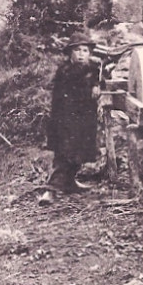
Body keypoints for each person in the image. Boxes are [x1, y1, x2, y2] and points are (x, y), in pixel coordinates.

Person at [46, 35, 100, 194]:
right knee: (64, 152)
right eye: (77, 50)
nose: (82, 54)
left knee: (80, 151)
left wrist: (97, 85)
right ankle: (51, 189)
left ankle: (70, 182)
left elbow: (97, 78)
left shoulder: (92, 69)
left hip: (84, 118)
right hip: (66, 119)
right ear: (70, 53)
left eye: (85, 50)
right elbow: (68, 91)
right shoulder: (65, 71)